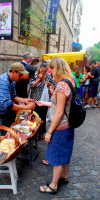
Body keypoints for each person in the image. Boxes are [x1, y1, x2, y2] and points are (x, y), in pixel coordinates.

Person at [36, 57, 75, 194]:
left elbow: (59, 112)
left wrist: (49, 132)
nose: (50, 72)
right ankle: (64, 177)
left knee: (57, 156)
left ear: (56, 68)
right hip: (69, 124)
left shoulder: (61, 85)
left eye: (51, 69)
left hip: (60, 127)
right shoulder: (71, 80)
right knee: (66, 152)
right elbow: (62, 105)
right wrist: (45, 103)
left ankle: (53, 186)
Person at [0, 62, 35, 137]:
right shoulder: (3, 82)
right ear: (14, 72)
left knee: (4, 135)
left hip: (2, 112)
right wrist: (26, 108)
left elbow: (13, 96)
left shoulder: (12, 81)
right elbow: (7, 105)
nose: (21, 77)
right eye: (20, 75)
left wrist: (24, 100)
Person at [29, 61, 55, 139]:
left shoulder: (49, 76)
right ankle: (35, 133)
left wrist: (48, 84)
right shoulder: (35, 75)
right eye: (42, 70)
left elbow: (53, 84)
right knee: (35, 117)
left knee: (43, 116)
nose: (43, 72)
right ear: (39, 68)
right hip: (36, 99)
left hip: (44, 101)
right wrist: (39, 79)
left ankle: (41, 133)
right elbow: (32, 86)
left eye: (45, 71)